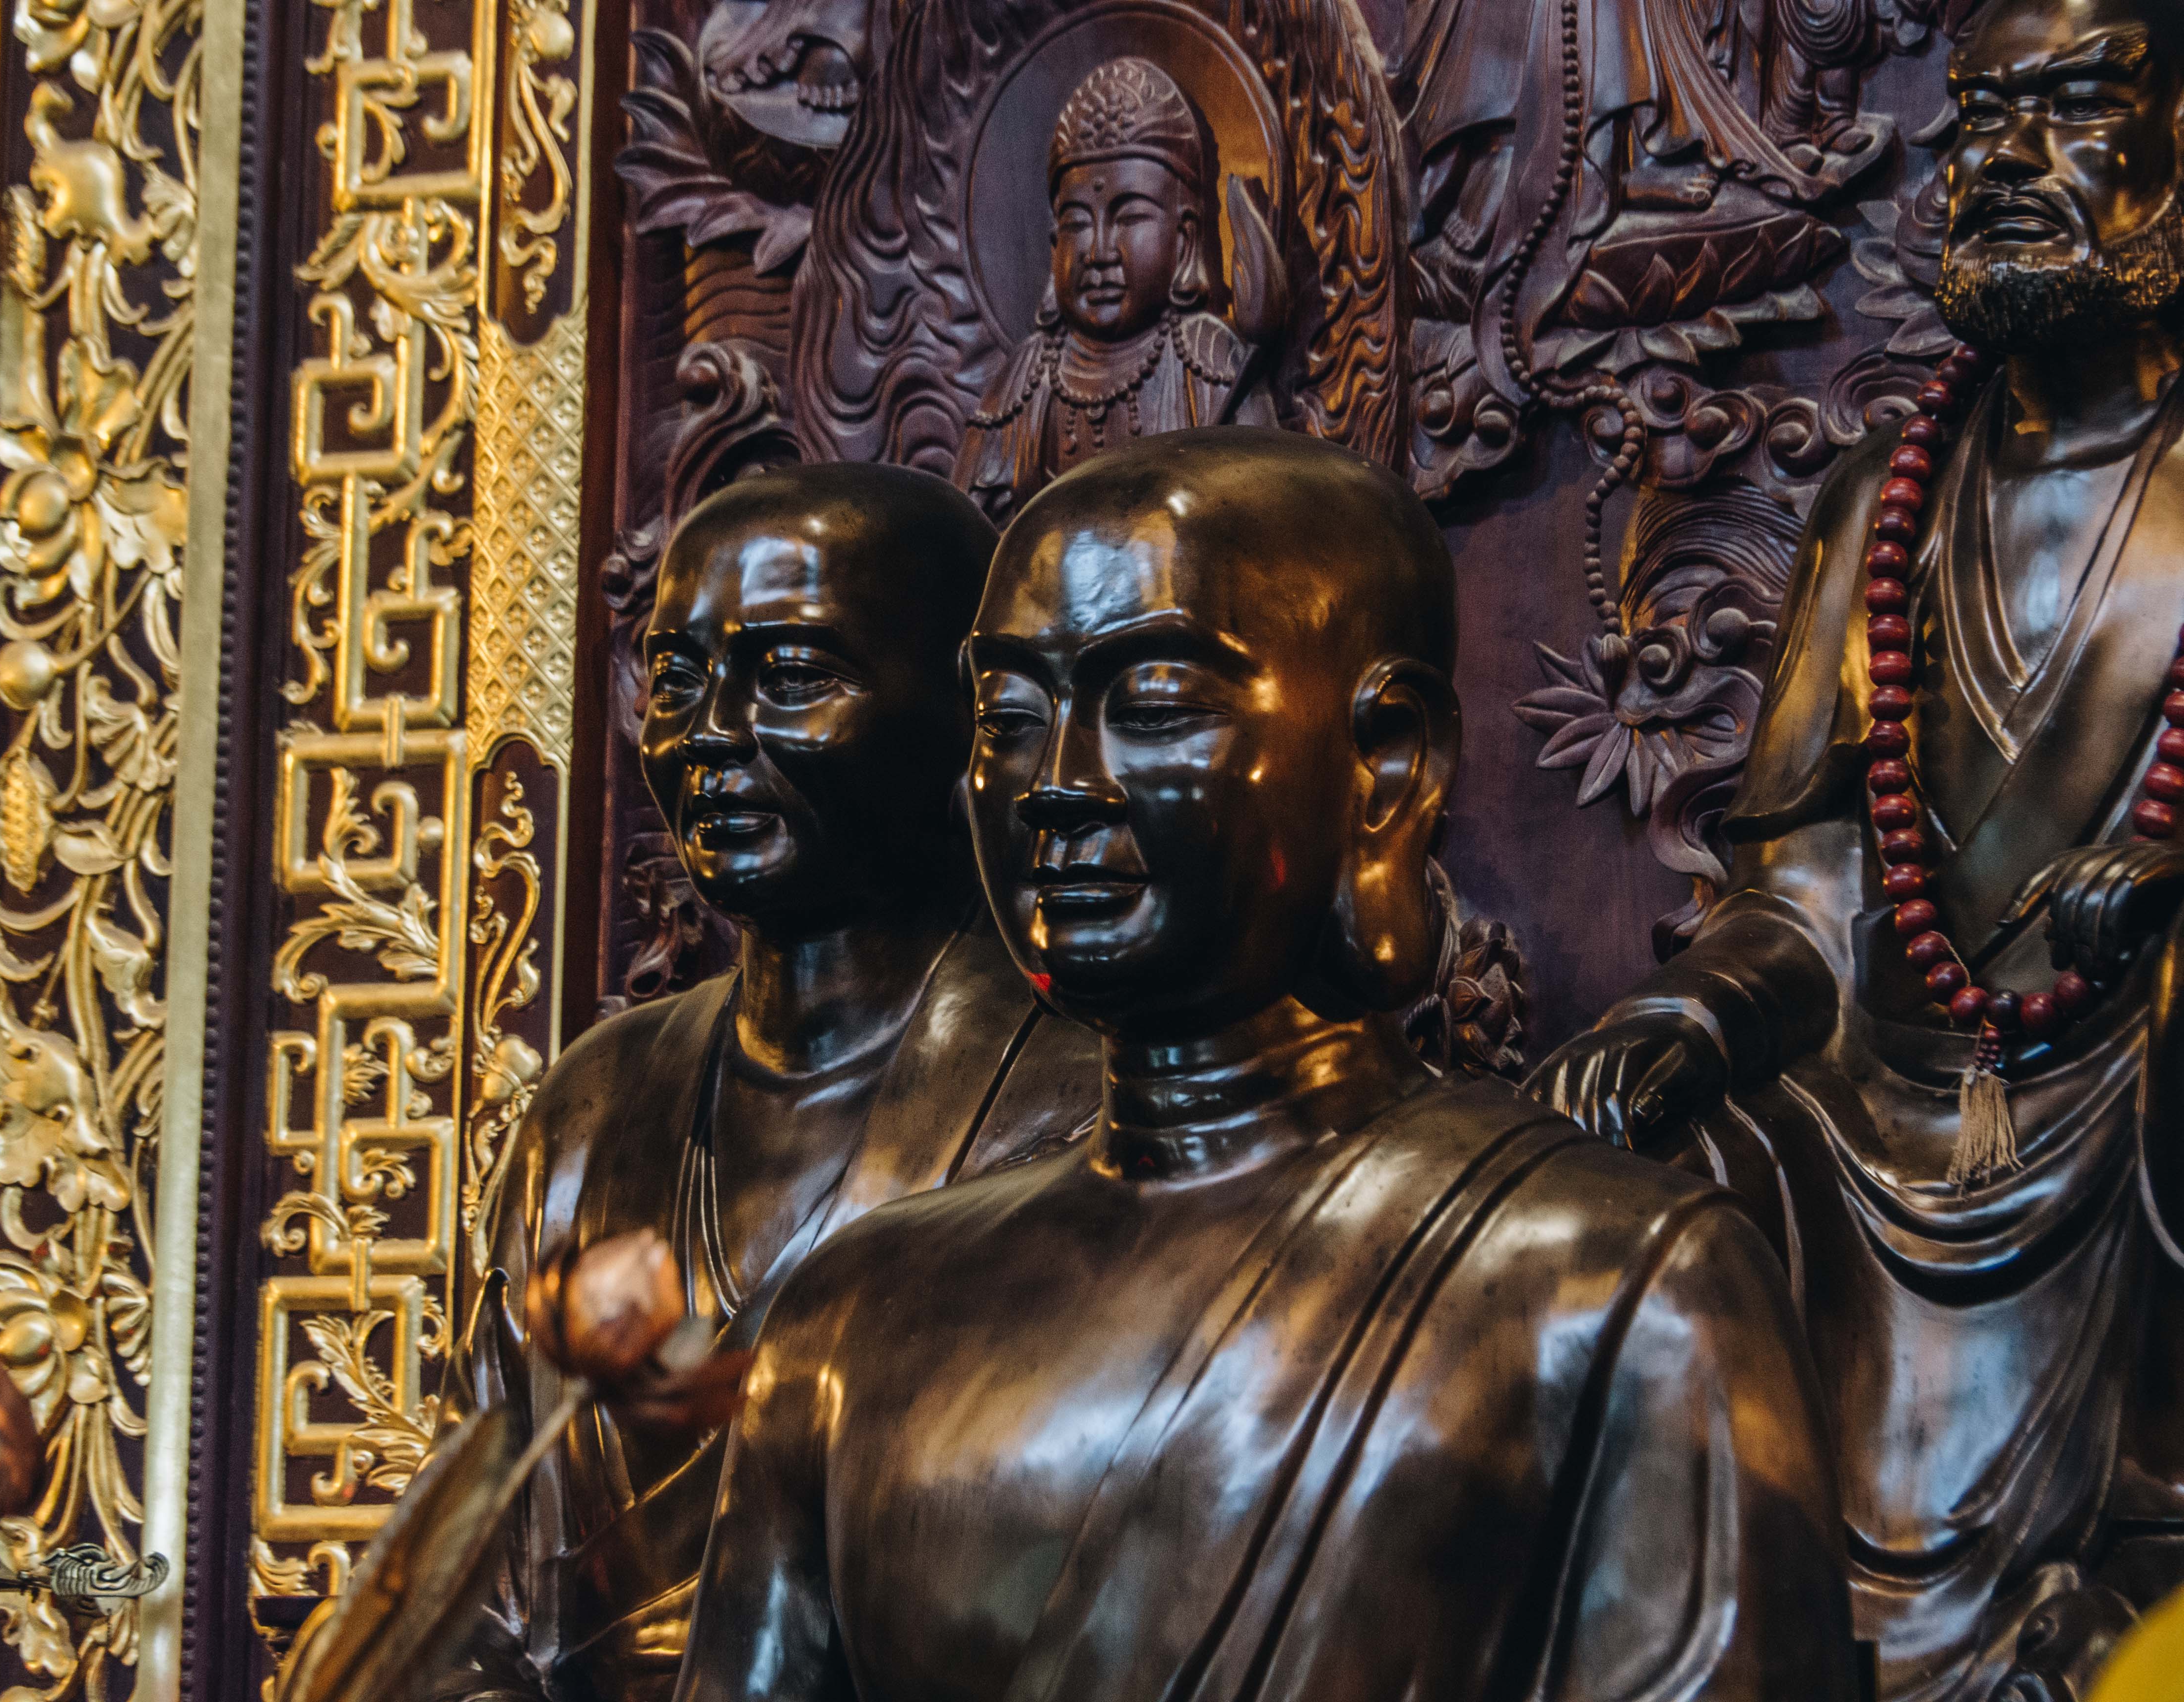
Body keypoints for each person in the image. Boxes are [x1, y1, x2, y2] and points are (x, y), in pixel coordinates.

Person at [673, 429, 1855, 1702]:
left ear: (1386, 761)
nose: (1055, 784)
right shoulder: (848, 1319)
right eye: (1010, 718)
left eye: (1154, 705)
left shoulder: (1612, 1288)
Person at [1531, 3, 2184, 1697]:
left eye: (2068, 108)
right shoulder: (1878, 502)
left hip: (2124, 1112)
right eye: (1980, 119)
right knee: (1639, 1185)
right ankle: (1698, 1622)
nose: (2006, 159)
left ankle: (2125, 1569)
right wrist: (1689, 1016)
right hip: (1873, 1112)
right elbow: (1816, 901)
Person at [438, 463, 1098, 1701]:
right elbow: (471, 1592)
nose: (709, 733)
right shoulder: (590, 1109)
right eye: (677, 681)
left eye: (791, 676)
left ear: (969, 716)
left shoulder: (1078, 1103)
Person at [952, 58, 1276, 524]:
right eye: (1078, 223)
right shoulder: (1023, 383)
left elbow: (1264, 520)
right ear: (1054, 244)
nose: (1099, 252)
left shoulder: (1210, 365)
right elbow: (967, 537)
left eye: (1129, 217)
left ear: (1184, 238)